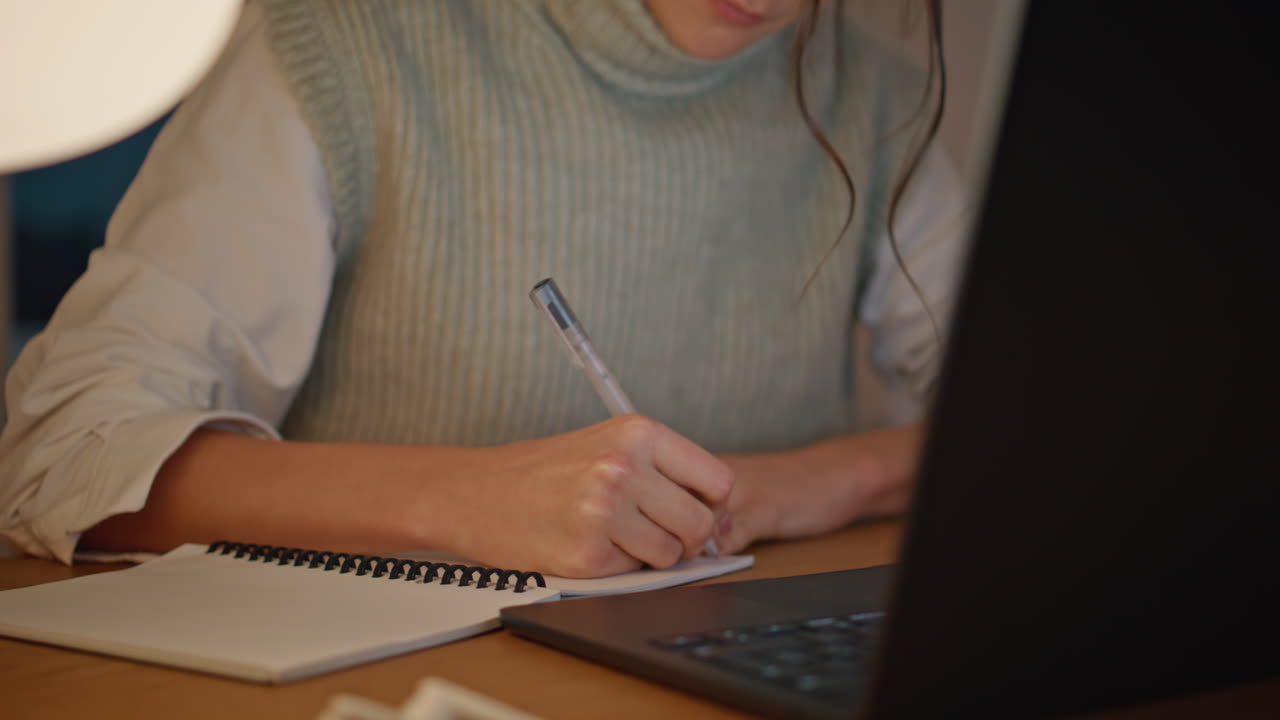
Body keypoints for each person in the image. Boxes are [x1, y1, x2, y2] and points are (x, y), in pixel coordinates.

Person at [0, 0, 965, 577]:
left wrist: (801, 486)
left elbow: (1028, 431)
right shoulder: (345, 44)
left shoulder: (877, 98)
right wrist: (470, 499)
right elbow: (62, 454)